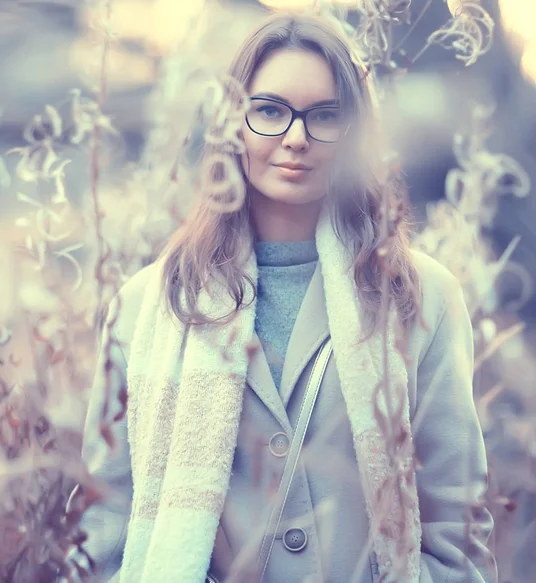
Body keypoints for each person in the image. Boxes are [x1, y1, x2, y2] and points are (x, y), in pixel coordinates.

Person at [70, 11, 497, 583]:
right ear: (232, 123)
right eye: (270, 110)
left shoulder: (421, 297)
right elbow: (103, 540)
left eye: (325, 115)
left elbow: (457, 535)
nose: (296, 137)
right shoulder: (146, 306)